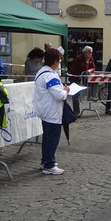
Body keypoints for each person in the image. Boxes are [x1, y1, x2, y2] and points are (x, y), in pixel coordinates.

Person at [34, 47, 70, 175]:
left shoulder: (41, 72)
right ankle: (49, 164)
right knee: (52, 139)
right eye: (59, 60)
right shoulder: (50, 76)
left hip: (45, 111)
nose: (59, 62)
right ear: (54, 61)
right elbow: (59, 95)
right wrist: (66, 90)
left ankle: (45, 161)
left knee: (47, 138)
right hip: (52, 112)